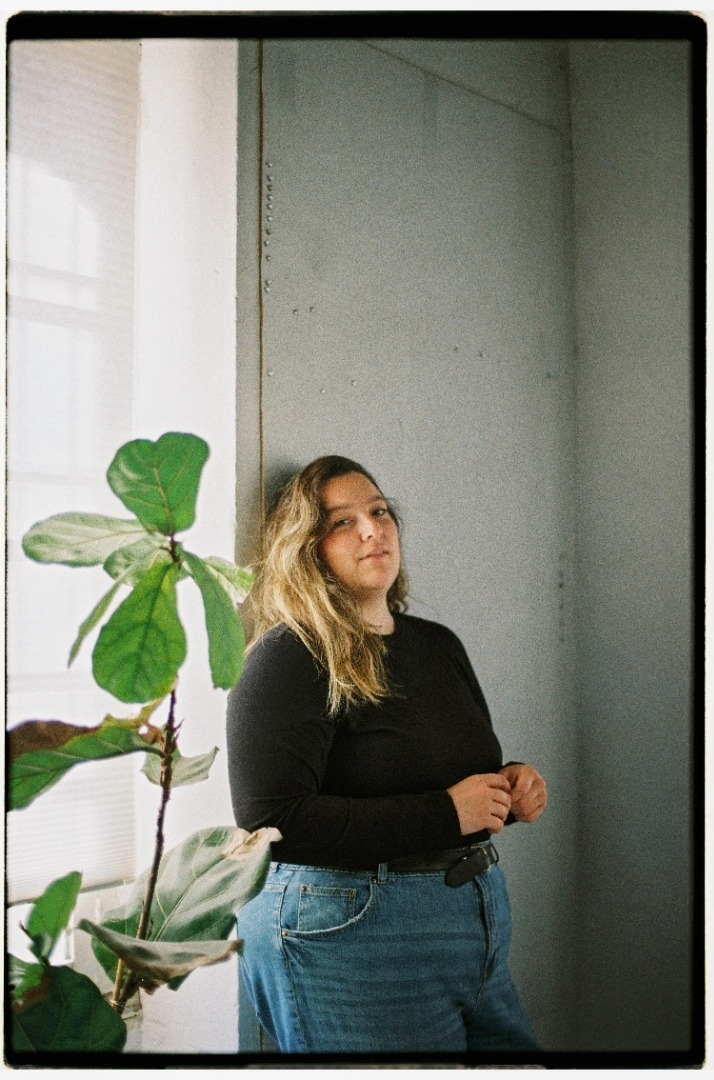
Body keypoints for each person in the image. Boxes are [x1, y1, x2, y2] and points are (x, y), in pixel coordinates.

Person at [226, 455, 547, 1056]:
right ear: (307, 550)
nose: (373, 530)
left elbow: (449, 772)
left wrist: (511, 782)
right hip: (354, 932)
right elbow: (273, 821)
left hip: (472, 918)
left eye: (379, 512)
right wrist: (446, 813)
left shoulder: (437, 644)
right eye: (342, 522)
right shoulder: (289, 655)